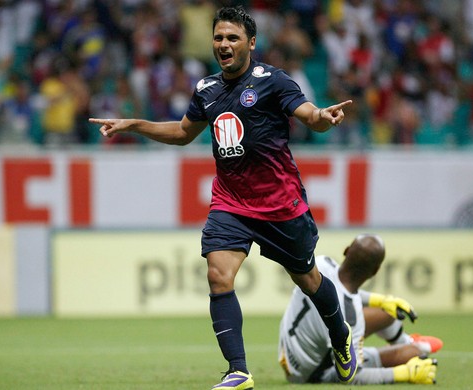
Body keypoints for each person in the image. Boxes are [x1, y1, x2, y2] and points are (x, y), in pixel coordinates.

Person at [89, 6, 355, 389]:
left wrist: (321, 119)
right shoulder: (206, 90)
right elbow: (183, 133)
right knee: (218, 276)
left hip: (279, 204)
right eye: (218, 38)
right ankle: (238, 370)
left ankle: (340, 336)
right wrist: (135, 125)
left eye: (232, 38)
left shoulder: (273, 81)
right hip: (230, 202)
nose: (224, 44)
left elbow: (307, 113)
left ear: (250, 43)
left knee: (309, 279)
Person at [279, 234, 442, 385]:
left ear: (346, 251)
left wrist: (380, 300)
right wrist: (404, 374)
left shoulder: (321, 264)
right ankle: (408, 343)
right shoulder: (351, 319)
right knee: (411, 351)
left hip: (288, 351)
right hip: (308, 374)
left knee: (401, 334)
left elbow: (337, 290)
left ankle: (409, 343)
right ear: (375, 271)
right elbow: (351, 375)